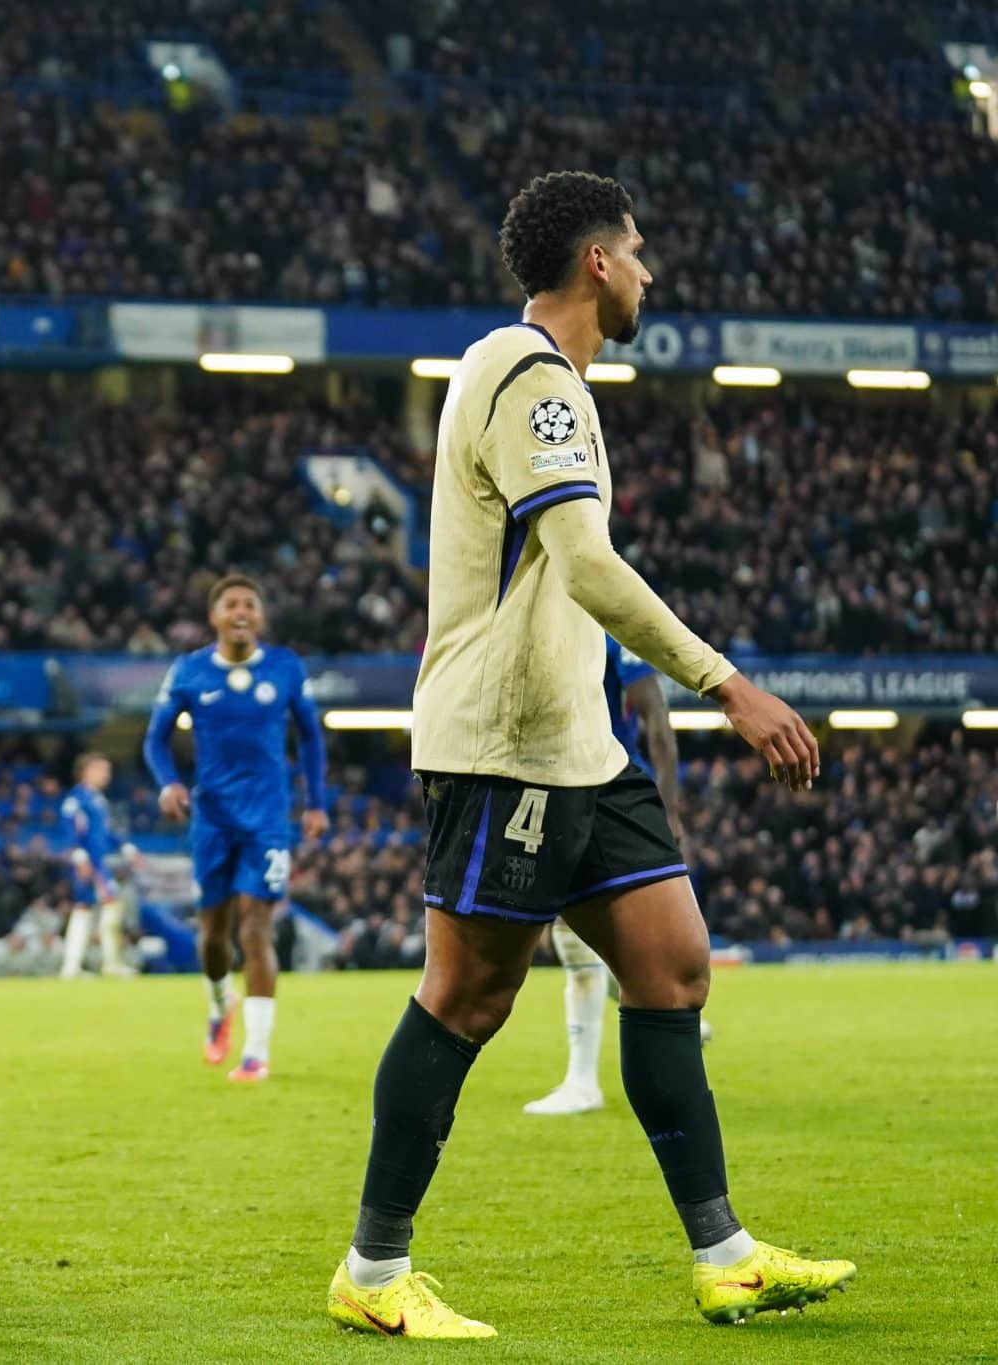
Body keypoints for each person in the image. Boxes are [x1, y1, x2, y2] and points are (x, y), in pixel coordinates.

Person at [324, 171, 852, 1339]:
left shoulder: (545, 381)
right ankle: (371, 1271)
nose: (648, 274)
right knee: (466, 998)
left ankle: (723, 1255)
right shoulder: (526, 378)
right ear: (596, 263)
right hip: (503, 744)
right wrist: (727, 684)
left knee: (670, 969)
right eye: (637, 252)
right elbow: (586, 565)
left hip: (580, 744)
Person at [143, 575, 329, 1083]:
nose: (241, 611)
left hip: (268, 820)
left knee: (255, 927)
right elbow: (155, 740)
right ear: (215, 617)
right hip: (212, 819)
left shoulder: (285, 667)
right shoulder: (190, 671)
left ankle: (256, 1053)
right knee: (212, 936)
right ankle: (219, 1001)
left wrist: (316, 803)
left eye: (250, 603)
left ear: (260, 617)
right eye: (231, 604)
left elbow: (311, 738)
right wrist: (168, 784)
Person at [526, 635, 706, 1116]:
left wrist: (669, 809)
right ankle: (668, 1005)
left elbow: (655, 713)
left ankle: (583, 1081)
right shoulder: (546, 619)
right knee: (589, 937)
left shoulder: (607, 624)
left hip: (605, 790)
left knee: (574, 938)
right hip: (561, 784)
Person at [58, 753, 131, 978]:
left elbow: (104, 832)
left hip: (97, 861)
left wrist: (126, 847)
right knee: (109, 904)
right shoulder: (77, 799)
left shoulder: (97, 799)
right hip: (91, 863)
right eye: (101, 770)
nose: (106, 775)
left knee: (86, 909)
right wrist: (80, 857)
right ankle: (109, 963)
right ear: (85, 772)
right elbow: (71, 829)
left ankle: (73, 966)